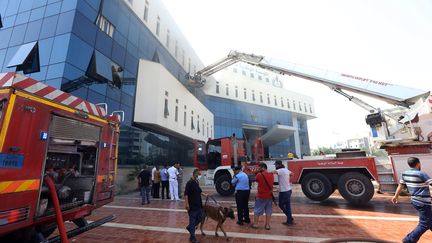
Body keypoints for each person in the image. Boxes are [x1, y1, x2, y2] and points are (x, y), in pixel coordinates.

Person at [392, 157, 432, 243]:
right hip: (423, 202)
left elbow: (401, 186)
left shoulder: (405, 173)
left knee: (429, 219)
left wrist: (395, 196)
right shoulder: (421, 174)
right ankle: (409, 240)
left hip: (415, 201)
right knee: (424, 224)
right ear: (418, 164)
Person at [185, 169, 207, 243]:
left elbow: (199, 191)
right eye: (199, 174)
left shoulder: (196, 182)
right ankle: (192, 237)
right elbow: (186, 194)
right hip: (192, 206)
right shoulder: (189, 183)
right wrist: (187, 204)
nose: (199, 176)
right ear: (194, 174)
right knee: (192, 221)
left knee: (200, 218)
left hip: (199, 205)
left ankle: (189, 228)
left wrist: (205, 195)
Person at [250, 163, 274, 230]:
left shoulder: (259, 175)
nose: (258, 169)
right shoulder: (271, 174)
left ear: (263, 168)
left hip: (261, 196)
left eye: (259, 168)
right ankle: (267, 225)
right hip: (269, 196)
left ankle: (255, 224)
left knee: (257, 210)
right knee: (268, 210)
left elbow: (257, 181)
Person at [272, 160, 294, 225]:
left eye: (275, 165)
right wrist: (287, 180)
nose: (275, 166)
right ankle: (289, 219)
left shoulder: (280, 170)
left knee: (281, 205)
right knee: (288, 206)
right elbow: (292, 174)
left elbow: (272, 172)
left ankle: (289, 218)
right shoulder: (286, 170)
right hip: (289, 190)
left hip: (284, 192)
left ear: (278, 165)